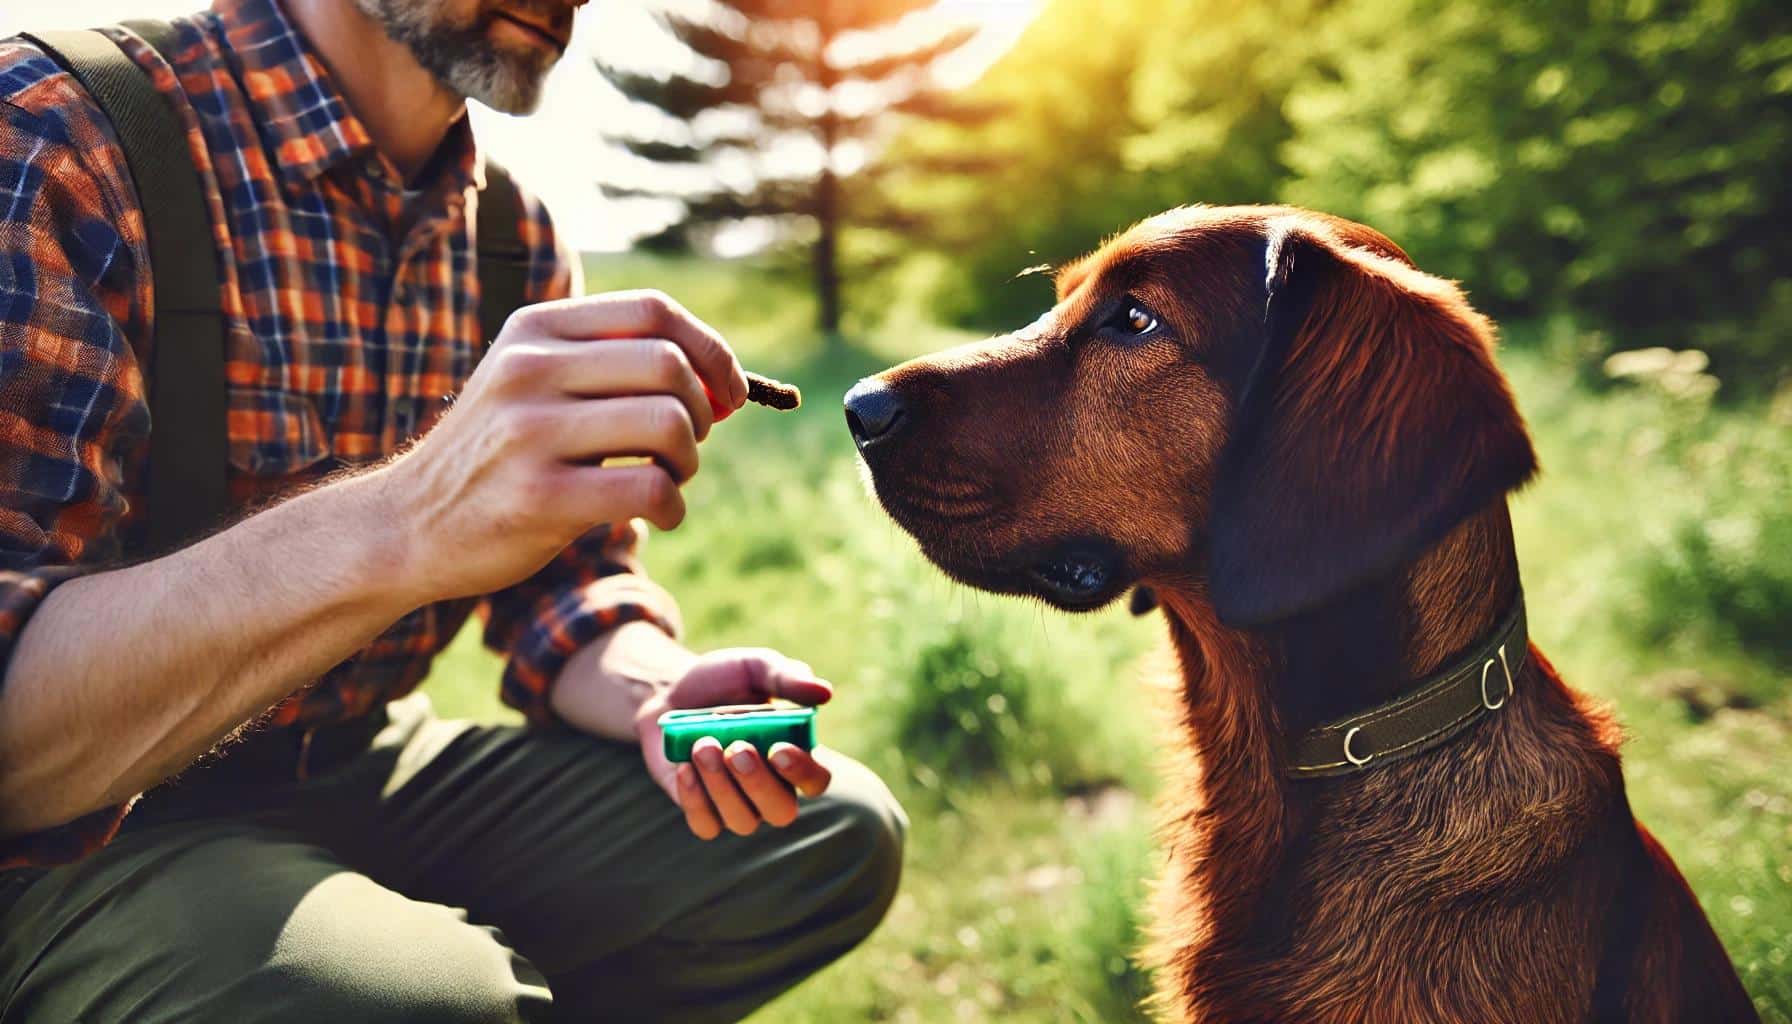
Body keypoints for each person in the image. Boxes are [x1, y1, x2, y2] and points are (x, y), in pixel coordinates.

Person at [0, 0, 905, 1019]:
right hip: (83, 830)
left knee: (827, 835)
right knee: (430, 999)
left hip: (356, 758)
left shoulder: (512, 238)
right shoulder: (58, 134)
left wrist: (653, 685)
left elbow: (567, 586)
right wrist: (407, 517)